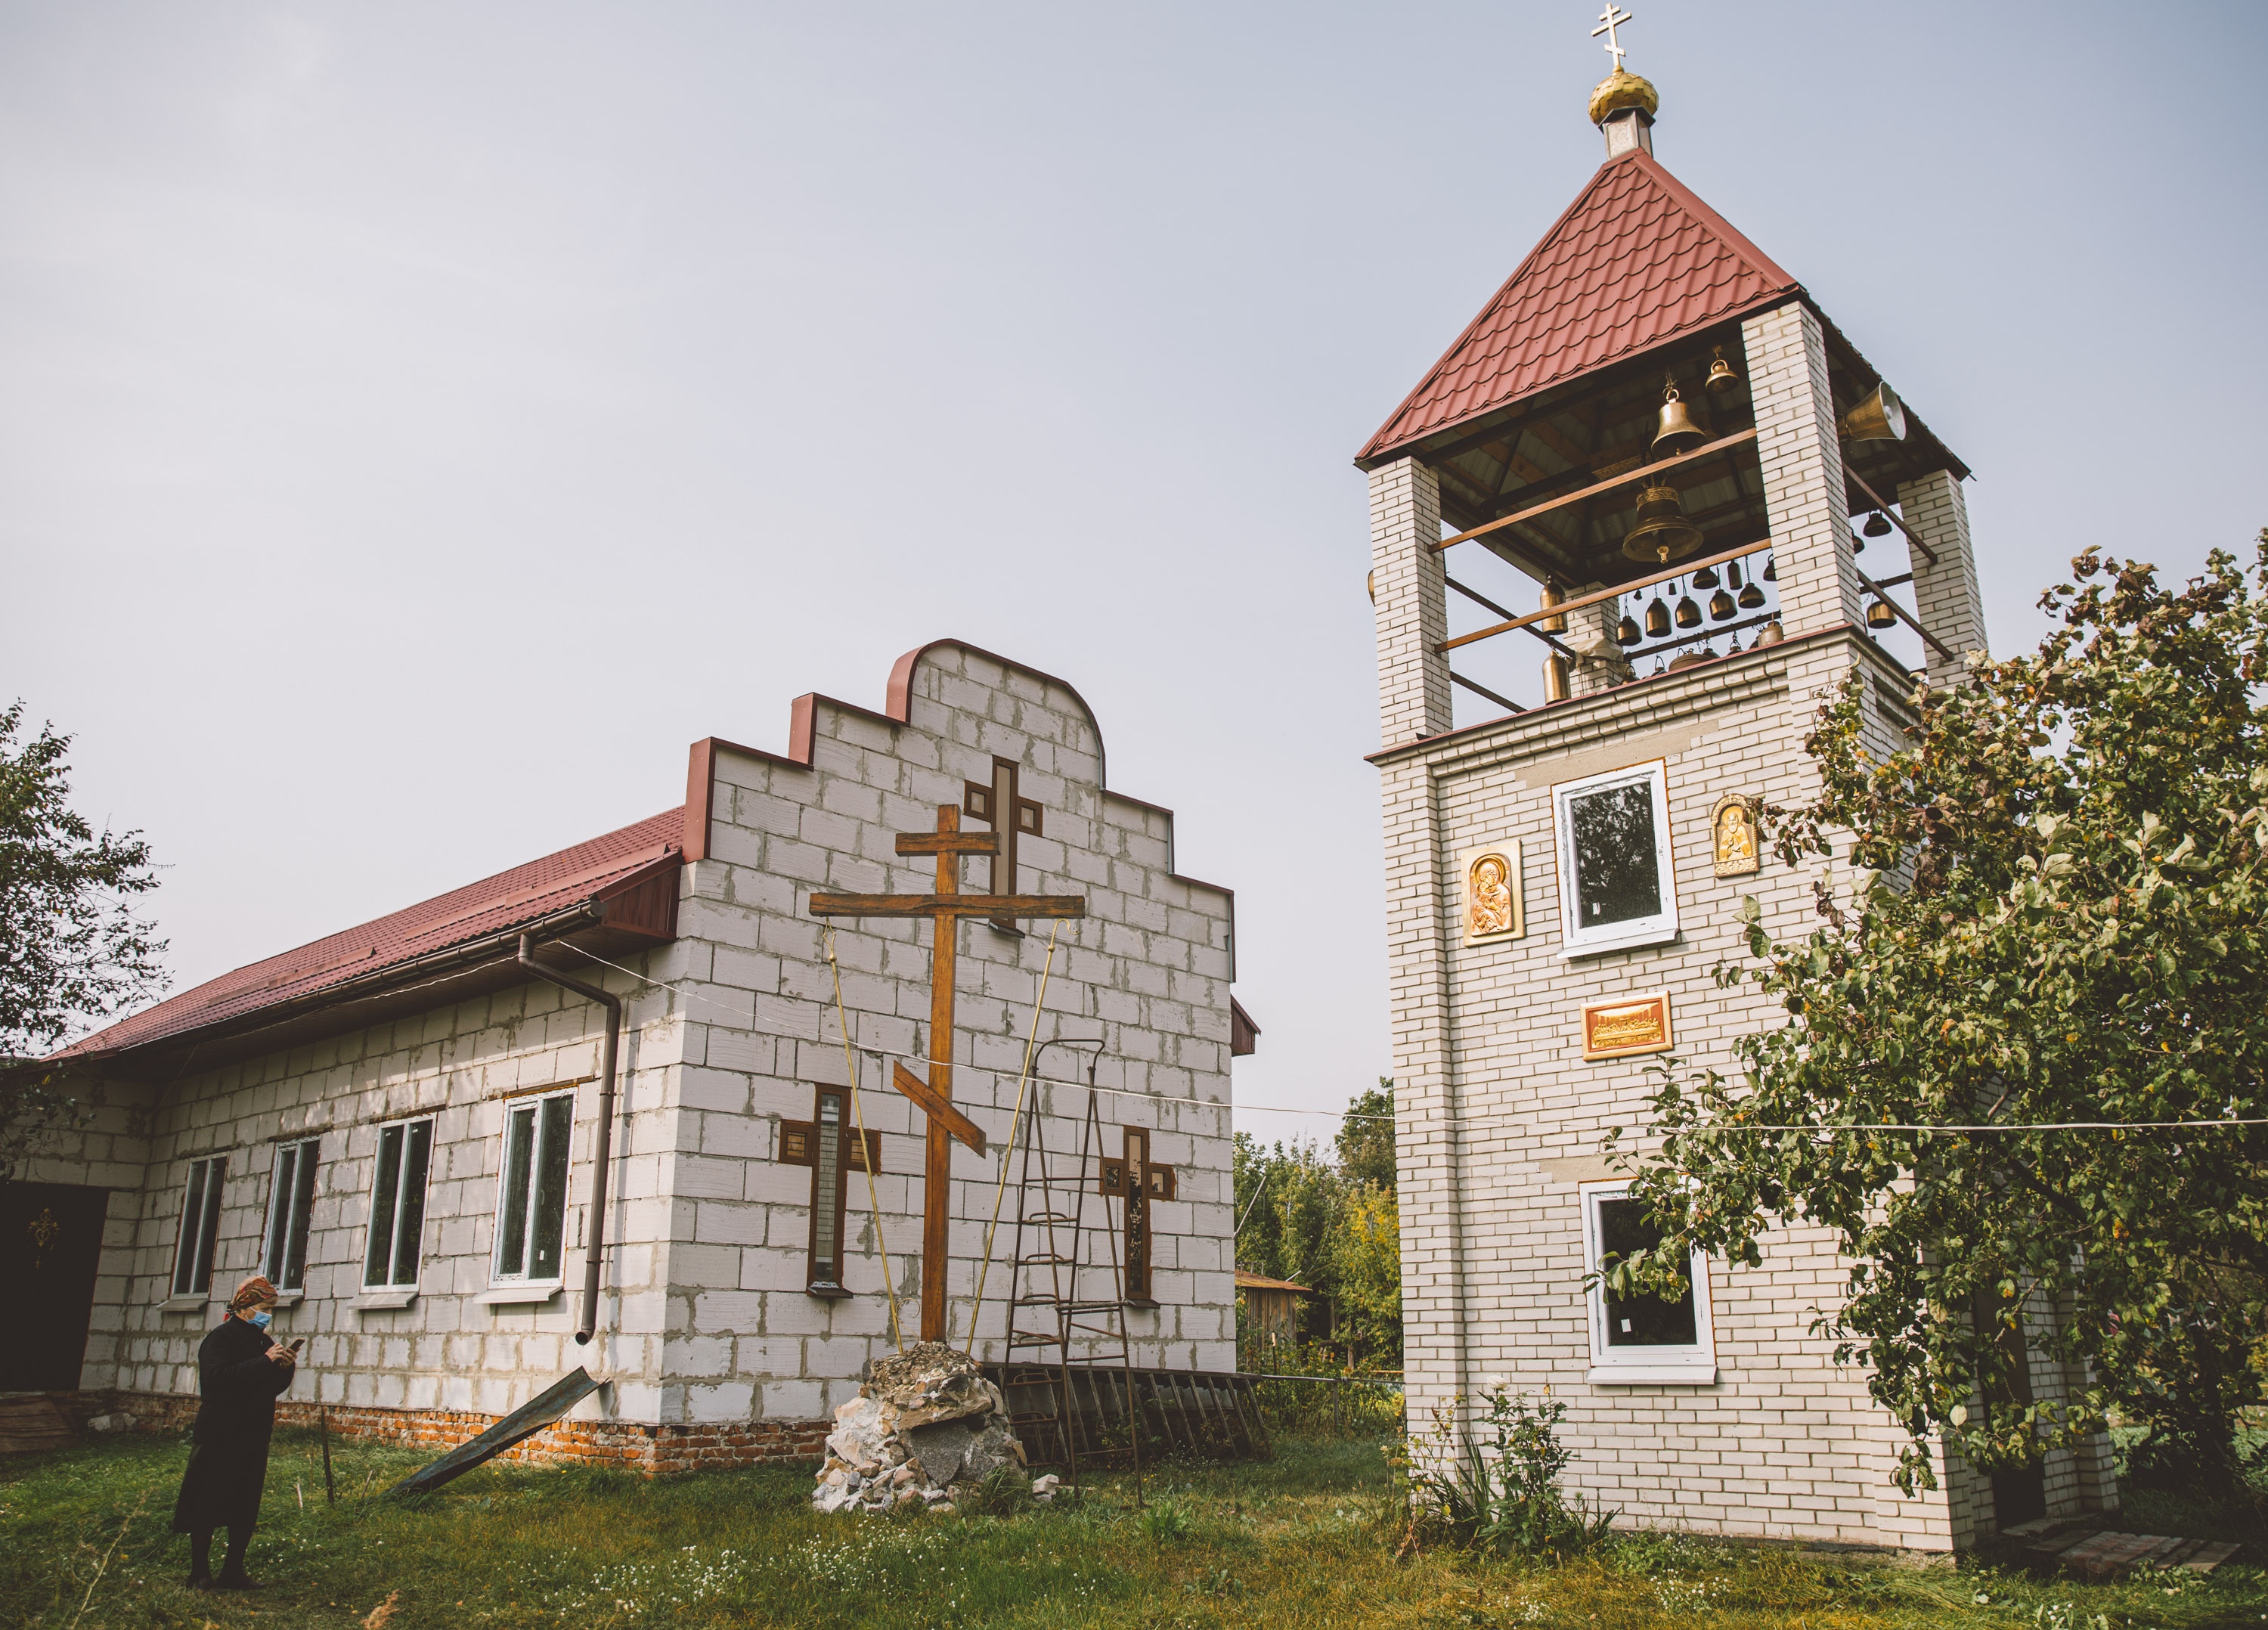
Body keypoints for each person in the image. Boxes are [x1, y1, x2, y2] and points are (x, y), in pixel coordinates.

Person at [172, 1274, 296, 1590]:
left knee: (244, 1504)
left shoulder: (264, 1342)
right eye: (264, 1307)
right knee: (207, 1502)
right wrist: (264, 1362)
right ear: (244, 1308)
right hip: (220, 1434)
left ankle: (233, 1571)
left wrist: (284, 1367)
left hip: (253, 1434)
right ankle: (199, 1573)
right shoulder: (220, 1339)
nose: (268, 1314)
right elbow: (216, 1380)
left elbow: (271, 1386)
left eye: (271, 1308)